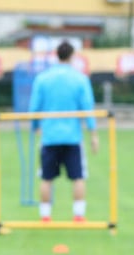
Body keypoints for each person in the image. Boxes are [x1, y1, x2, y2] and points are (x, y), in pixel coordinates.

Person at [29, 41, 99, 222]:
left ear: (56, 55)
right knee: (78, 177)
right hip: (72, 137)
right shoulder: (80, 79)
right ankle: (79, 215)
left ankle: (45, 216)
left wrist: (35, 126)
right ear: (72, 56)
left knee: (46, 178)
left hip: (50, 136)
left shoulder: (43, 78)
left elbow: (34, 107)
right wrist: (93, 134)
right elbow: (87, 107)